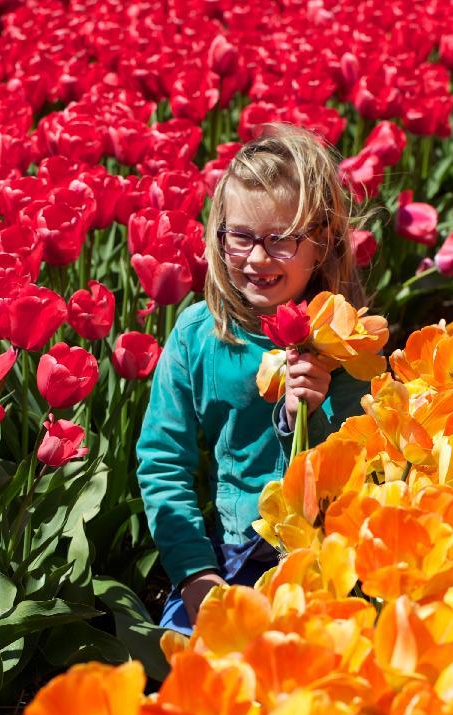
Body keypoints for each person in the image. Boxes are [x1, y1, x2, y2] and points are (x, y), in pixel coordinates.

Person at [137, 123, 376, 636]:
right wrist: (195, 575)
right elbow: (163, 463)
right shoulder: (198, 335)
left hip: (325, 551)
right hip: (231, 552)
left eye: (281, 240)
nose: (258, 258)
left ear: (322, 241)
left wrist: (311, 416)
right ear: (218, 235)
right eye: (241, 237)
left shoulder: (345, 338)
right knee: (185, 659)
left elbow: (370, 460)